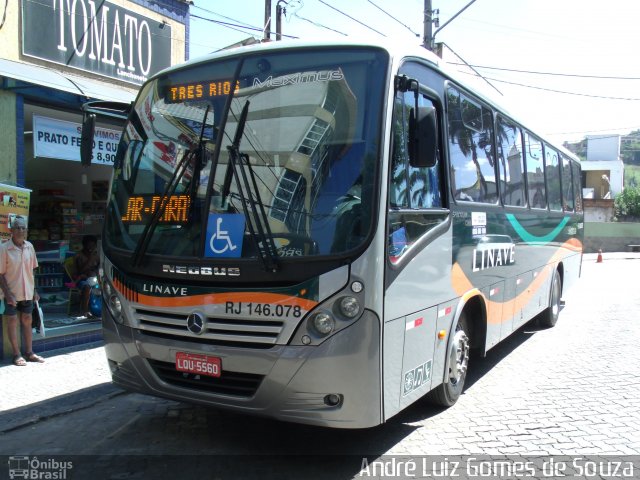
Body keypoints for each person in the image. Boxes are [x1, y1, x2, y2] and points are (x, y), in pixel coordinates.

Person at [0, 216, 44, 366]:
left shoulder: (29, 247)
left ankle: (30, 352)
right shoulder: (4, 248)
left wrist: (35, 290)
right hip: (10, 293)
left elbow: (32, 270)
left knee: (27, 320)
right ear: (11, 230)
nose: (20, 230)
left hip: (27, 291)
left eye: (23, 228)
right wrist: (7, 294)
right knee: (12, 321)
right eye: (17, 228)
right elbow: (0, 273)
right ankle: (16, 354)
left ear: (26, 231)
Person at [73, 235, 99, 317]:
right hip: (81, 279)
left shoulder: (96, 256)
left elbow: (99, 268)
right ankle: (85, 310)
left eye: (93, 245)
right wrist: (90, 259)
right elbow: (79, 271)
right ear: (85, 245)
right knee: (87, 287)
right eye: (89, 245)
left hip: (94, 278)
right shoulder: (78, 256)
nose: (91, 247)